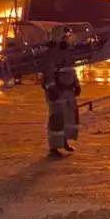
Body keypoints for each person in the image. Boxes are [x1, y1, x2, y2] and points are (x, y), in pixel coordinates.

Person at [40, 25, 82, 157]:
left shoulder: (67, 52)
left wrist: (76, 84)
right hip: (57, 90)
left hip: (68, 91)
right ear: (59, 37)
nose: (67, 40)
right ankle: (54, 146)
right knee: (57, 118)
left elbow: (71, 70)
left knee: (69, 117)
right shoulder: (50, 54)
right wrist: (52, 89)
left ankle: (64, 142)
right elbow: (48, 73)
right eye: (65, 38)